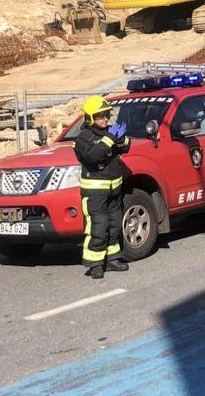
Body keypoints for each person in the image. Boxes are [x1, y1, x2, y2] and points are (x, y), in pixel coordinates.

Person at [74, 95, 131, 279]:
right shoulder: (83, 138)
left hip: (114, 188)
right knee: (98, 226)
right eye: (100, 116)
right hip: (95, 192)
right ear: (90, 118)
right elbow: (92, 156)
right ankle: (95, 263)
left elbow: (126, 147)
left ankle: (112, 258)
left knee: (114, 225)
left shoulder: (109, 132)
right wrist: (110, 139)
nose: (105, 119)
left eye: (106, 115)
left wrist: (122, 139)